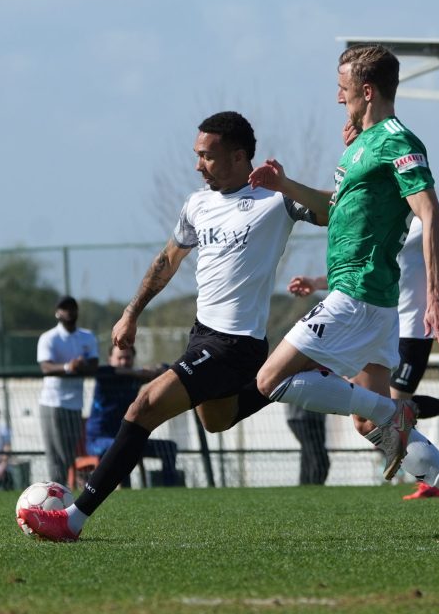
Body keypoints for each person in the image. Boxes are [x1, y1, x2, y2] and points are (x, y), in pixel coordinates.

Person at [19, 110, 331, 541]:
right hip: (202, 335)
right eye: (197, 155)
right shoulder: (197, 204)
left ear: (238, 157)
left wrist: (288, 183)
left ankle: (72, 519)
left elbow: (332, 210)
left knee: (143, 406)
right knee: (216, 420)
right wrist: (131, 312)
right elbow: (167, 260)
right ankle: (287, 373)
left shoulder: (275, 199)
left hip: (236, 343)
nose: (198, 165)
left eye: (207, 156)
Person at [246, 44, 439, 542]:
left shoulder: (396, 140)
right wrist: (285, 184)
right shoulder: (360, 145)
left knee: (270, 379)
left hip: (357, 297)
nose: (337, 99)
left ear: (366, 91)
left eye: (343, 90)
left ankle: (396, 412)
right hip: (371, 302)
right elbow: (331, 209)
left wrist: (435, 296)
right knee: (367, 422)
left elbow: (432, 214)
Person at [288, 216, 439, 500]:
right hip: (383, 326)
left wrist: (438, 311)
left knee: (393, 409)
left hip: (415, 330)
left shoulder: (423, 224)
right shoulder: (379, 219)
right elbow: (360, 272)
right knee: (380, 413)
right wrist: (316, 283)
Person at [86, 345, 180, 487]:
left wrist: (157, 369)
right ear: (110, 359)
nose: (124, 361)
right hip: (98, 441)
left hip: (127, 438)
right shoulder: (105, 375)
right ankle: (125, 489)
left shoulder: (135, 377)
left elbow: (168, 370)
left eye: (127, 358)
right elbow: (102, 370)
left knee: (169, 447)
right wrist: (138, 373)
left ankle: (170, 489)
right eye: (120, 358)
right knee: (122, 448)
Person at [37, 296, 100, 482]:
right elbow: (46, 367)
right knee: (56, 455)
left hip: (75, 403)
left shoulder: (87, 336)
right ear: (57, 313)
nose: (69, 312)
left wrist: (81, 365)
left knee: (68, 454)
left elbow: (94, 364)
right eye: (64, 308)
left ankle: (64, 490)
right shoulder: (49, 338)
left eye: (72, 308)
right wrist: (68, 367)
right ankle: (55, 490)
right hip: (53, 402)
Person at [285, 404, 330, 486]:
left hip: (316, 418)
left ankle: (305, 487)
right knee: (320, 461)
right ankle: (315, 489)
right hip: (302, 417)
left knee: (308, 458)